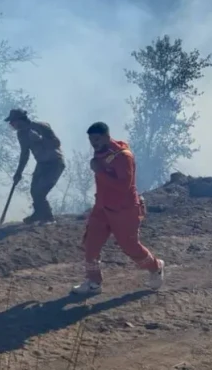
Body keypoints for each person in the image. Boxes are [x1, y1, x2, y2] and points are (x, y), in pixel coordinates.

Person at [73, 121, 164, 295]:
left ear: (107, 137)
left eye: (97, 139)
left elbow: (124, 186)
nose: (93, 144)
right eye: (91, 140)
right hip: (102, 207)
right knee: (91, 244)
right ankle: (94, 282)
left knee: (130, 247)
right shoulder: (102, 151)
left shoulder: (123, 157)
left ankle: (155, 267)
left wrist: (100, 171)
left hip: (124, 210)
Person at [6, 108, 65, 223]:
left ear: (20, 120)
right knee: (34, 191)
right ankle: (39, 213)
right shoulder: (21, 134)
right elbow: (24, 154)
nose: (11, 125)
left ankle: (48, 217)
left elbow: (56, 143)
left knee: (40, 191)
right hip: (41, 164)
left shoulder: (41, 126)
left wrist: (41, 139)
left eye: (12, 122)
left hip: (55, 163)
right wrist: (18, 172)